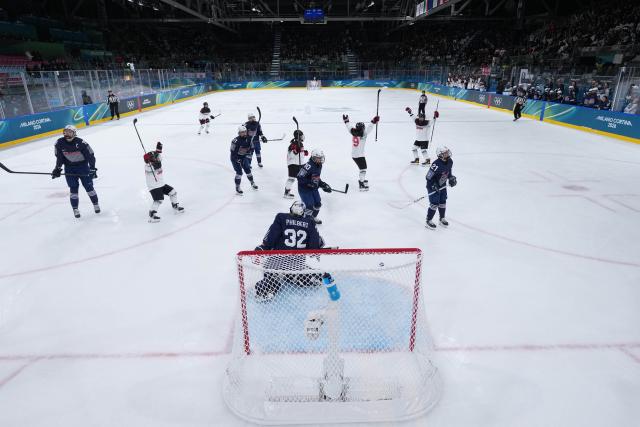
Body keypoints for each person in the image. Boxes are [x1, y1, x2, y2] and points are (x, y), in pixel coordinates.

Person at [254, 200, 325, 302]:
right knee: (315, 276)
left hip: (275, 263)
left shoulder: (281, 217)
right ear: (303, 212)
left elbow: (270, 239)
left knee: (271, 279)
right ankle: (295, 277)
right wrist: (320, 242)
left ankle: (270, 284)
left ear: (291, 208)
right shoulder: (310, 222)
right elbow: (314, 247)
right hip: (295, 265)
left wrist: (263, 247)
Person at [51, 125, 100, 218]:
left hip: (83, 167)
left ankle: (95, 203)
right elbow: (60, 158)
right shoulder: (59, 143)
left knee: (89, 187)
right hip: (69, 168)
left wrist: (92, 168)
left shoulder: (81, 143)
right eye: (65, 132)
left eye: (69, 132)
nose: (67, 134)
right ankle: (75, 209)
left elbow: (90, 156)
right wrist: (57, 168)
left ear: (74, 133)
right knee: (73, 188)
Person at [144, 142, 184, 223]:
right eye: (157, 158)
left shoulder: (155, 161)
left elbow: (157, 157)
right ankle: (152, 215)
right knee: (159, 200)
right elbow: (156, 165)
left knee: (173, 192)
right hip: (154, 187)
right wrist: (149, 158)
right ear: (152, 160)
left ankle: (175, 207)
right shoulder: (149, 167)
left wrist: (158, 150)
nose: (159, 159)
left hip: (161, 184)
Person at [342, 113, 379, 191]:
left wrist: (346, 120)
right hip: (359, 155)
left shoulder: (353, 131)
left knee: (362, 168)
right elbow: (369, 128)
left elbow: (348, 126)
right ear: (362, 128)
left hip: (355, 155)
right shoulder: (364, 134)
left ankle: (362, 179)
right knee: (363, 169)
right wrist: (373, 121)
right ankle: (361, 184)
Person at [425, 146, 456, 230]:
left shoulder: (450, 161)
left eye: (447, 152)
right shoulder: (436, 164)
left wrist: (451, 178)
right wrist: (433, 185)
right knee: (434, 203)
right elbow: (428, 177)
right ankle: (428, 220)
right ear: (440, 155)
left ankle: (441, 218)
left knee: (443, 201)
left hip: (442, 185)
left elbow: (448, 172)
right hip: (432, 186)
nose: (447, 154)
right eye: (444, 153)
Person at [297, 149, 331, 224]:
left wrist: (323, 184)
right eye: (319, 158)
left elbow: (316, 177)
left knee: (317, 204)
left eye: (321, 158)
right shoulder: (308, 166)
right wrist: (309, 183)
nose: (321, 159)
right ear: (314, 158)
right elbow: (299, 177)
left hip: (313, 188)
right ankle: (306, 221)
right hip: (304, 189)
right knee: (309, 205)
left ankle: (313, 217)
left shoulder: (319, 165)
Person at [230, 124, 258, 195]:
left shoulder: (249, 138)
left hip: (243, 157)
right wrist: (236, 159)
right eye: (242, 132)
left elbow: (252, 148)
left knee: (248, 170)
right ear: (239, 133)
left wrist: (249, 151)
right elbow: (232, 152)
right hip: (235, 158)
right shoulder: (235, 141)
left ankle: (252, 183)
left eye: (245, 132)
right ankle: (237, 187)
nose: (244, 133)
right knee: (239, 173)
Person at [284, 129, 309, 199]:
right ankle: (286, 193)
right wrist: (296, 151)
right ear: (298, 137)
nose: (303, 137)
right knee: (292, 178)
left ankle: (305, 191)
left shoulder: (299, 144)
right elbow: (291, 154)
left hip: (299, 164)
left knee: (303, 177)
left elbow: (299, 154)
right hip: (293, 164)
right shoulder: (293, 144)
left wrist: (303, 152)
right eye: (301, 136)